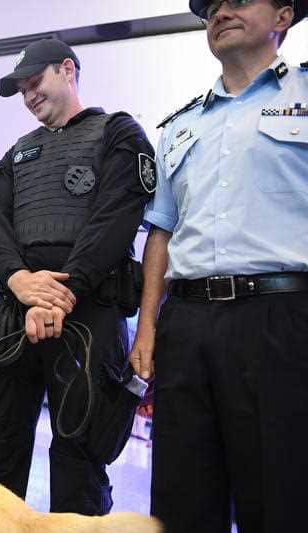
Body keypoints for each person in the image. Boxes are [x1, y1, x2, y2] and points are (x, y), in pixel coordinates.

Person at [132, 1, 308, 531]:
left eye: (238, 0)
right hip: (186, 326)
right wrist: (146, 325)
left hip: (281, 318)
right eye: (212, 7)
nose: (221, 11)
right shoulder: (179, 127)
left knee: (280, 492)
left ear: (282, 16)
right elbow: (161, 230)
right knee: (181, 496)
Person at [0, 38, 155, 515]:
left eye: (35, 82)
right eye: (22, 91)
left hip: (88, 313)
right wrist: (18, 281)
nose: (29, 96)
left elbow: (114, 220)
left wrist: (61, 294)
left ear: (68, 70)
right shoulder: (16, 154)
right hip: (17, 310)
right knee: (3, 448)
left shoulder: (118, 132)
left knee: (80, 452)